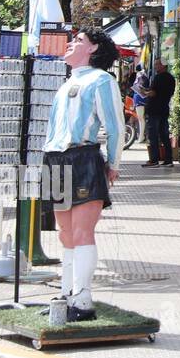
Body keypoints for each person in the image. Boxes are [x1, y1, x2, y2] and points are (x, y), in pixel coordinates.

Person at [44, 27, 123, 321]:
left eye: (78, 41)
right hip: (55, 158)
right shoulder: (66, 83)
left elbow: (115, 125)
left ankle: (83, 298)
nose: (70, 44)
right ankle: (65, 294)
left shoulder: (102, 80)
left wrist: (113, 163)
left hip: (84, 158)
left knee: (81, 231)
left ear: (92, 49)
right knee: (64, 233)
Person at [142, 60, 177, 168]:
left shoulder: (158, 77)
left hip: (154, 111)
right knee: (164, 135)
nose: (156, 66)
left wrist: (145, 92)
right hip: (164, 110)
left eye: (158, 64)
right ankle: (168, 160)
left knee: (153, 135)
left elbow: (153, 93)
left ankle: (154, 160)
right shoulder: (171, 78)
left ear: (164, 65)